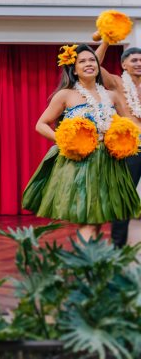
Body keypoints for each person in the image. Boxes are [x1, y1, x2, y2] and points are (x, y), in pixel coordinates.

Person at [22, 44, 141, 241]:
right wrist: (65, 140)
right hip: (81, 163)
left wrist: (122, 140)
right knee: (88, 219)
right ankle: (86, 259)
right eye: (82, 61)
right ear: (74, 69)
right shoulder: (66, 95)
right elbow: (41, 124)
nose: (89, 64)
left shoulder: (111, 96)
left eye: (92, 60)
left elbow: (127, 125)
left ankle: (90, 257)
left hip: (109, 163)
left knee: (97, 219)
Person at [94, 41, 141, 247]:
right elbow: (94, 64)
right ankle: (117, 247)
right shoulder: (117, 83)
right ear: (124, 65)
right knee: (124, 196)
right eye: (135, 60)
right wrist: (106, 41)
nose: (139, 63)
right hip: (131, 147)